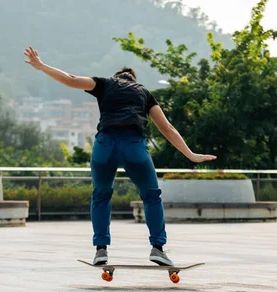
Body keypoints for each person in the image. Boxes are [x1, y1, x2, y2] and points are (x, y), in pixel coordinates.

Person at [24, 46, 216, 266]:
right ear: (134, 80)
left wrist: (41, 66)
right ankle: (158, 248)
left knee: (101, 195)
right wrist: (190, 155)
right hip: (133, 146)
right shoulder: (143, 92)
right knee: (151, 196)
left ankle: (101, 250)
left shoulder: (105, 83)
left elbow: (72, 80)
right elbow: (168, 129)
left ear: (117, 77)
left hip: (105, 145)